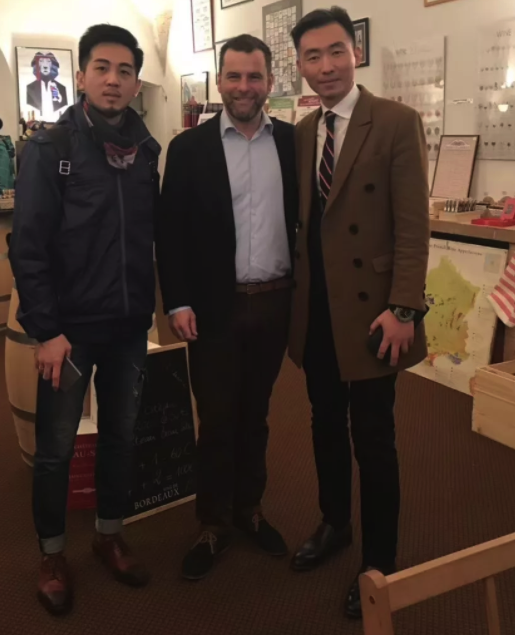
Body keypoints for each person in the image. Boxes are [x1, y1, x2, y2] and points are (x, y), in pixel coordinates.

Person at [9, 24, 161, 616]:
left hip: (127, 325)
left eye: (125, 71)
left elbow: (149, 236)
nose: (113, 80)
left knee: (122, 436)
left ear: (136, 82)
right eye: (102, 67)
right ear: (80, 76)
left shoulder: (146, 150)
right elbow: (28, 247)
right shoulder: (51, 149)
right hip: (68, 333)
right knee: (56, 447)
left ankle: (109, 535)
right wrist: (45, 331)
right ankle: (52, 554)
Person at [287, 7, 430, 618]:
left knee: (374, 437)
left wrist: (404, 308)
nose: (326, 66)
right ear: (300, 65)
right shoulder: (302, 131)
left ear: (355, 53)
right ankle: (334, 523)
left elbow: (413, 226)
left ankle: (379, 562)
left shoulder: (395, 121)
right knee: (323, 422)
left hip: (376, 314)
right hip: (317, 309)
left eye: (336, 52)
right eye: (313, 56)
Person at [156, 34, 299, 581]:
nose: (244, 87)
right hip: (213, 308)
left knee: (256, 414)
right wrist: (178, 300)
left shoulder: (292, 143)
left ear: (270, 82)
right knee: (217, 418)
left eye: (254, 76)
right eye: (234, 76)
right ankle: (213, 523)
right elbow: (171, 232)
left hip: (275, 304)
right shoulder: (188, 149)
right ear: (219, 82)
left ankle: (249, 509)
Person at [26, 51, 70, 119]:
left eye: (48, 61)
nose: (45, 66)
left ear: (52, 65)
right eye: (41, 61)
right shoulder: (30, 88)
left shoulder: (62, 88)